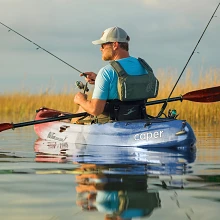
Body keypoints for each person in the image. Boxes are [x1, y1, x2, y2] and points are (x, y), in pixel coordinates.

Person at [74, 26, 158, 122]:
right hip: (138, 120)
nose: (101, 49)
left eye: (103, 45)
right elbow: (129, 86)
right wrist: (99, 80)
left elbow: (95, 110)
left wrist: (80, 100)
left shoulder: (106, 72)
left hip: (110, 126)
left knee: (79, 111)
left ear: (115, 45)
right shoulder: (143, 66)